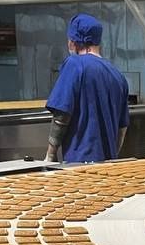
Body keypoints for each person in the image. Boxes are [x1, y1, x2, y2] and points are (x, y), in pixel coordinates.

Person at [44, 13, 130, 163]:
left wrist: (50, 155)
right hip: (109, 165)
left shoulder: (74, 64)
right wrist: (111, 157)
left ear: (73, 42)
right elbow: (122, 129)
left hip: (80, 163)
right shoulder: (118, 76)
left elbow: (61, 116)